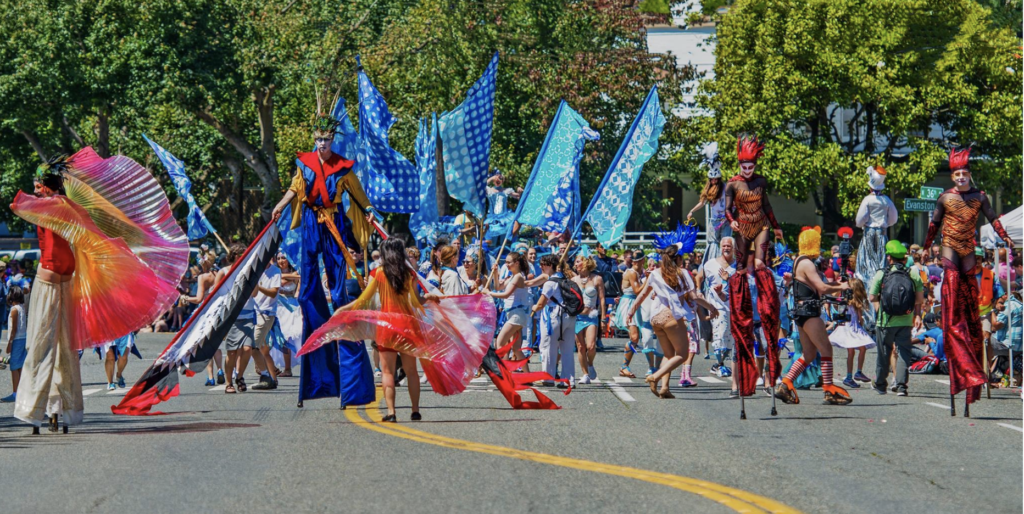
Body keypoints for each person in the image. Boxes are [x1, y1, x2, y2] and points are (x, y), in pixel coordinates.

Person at [271, 97, 379, 408]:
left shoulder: (343, 167)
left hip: (334, 221)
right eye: (318, 139)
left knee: (338, 286)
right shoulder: (304, 163)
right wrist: (279, 207)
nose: (322, 144)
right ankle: (314, 313)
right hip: (310, 220)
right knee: (308, 290)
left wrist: (369, 212)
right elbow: (295, 189)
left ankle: (340, 314)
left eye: (327, 139)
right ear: (314, 140)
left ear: (333, 140)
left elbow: (359, 196)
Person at [923, 146, 1013, 409]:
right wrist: (928, 244)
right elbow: (934, 225)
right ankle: (952, 324)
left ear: (969, 175)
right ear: (953, 177)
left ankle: (967, 326)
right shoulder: (944, 198)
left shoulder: (980, 196)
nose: (961, 177)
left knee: (968, 297)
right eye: (957, 174)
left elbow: (994, 219)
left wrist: (1005, 236)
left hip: (968, 249)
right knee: (952, 286)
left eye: (965, 173)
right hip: (950, 246)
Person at [723, 135, 784, 398]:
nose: (747, 170)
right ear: (739, 164)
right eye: (743, 166)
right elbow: (727, 209)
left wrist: (777, 224)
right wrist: (732, 221)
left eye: (751, 165)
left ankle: (766, 292)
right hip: (742, 227)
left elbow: (767, 205)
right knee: (740, 267)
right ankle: (742, 295)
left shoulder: (761, 182)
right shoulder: (732, 184)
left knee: (760, 263)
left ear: (756, 164)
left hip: (760, 224)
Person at [632, 234, 720, 399]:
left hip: (656, 319)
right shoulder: (683, 273)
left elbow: (642, 295)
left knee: (669, 354)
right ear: (679, 259)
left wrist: (631, 311)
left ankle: (665, 388)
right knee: (683, 354)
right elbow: (694, 297)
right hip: (671, 317)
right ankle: (655, 376)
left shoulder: (655, 273)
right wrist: (711, 307)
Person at [775, 227, 853, 405]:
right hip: (809, 313)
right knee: (826, 349)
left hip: (802, 313)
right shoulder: (807, 264)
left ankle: (786, 383)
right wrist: (842, 287)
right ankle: (828, 390)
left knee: (809, 354)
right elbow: (822, 287)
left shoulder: (798, 261)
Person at [868, 241, 924, 396]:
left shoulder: (882, 273)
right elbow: (920, 299)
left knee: (883, 352)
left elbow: (872, 297)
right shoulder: (912, 274)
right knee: (904, 352)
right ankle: (901, 386)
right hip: (905, 320)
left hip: (885, 320)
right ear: (904, 259)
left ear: (889, 258)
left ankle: (880, 384)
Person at [531, 254, 576, 388]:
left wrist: (533, 308)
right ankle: (568, 380)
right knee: (567, 350)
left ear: (550, 266)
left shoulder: (550, 283)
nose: (540, 267)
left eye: (543, 264)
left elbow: (540, 304)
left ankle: (548, 378)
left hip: (554, 317)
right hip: (570, 316)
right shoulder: (566, 280)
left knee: (547, 347)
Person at [181, 255, 225, 386]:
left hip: (206, 313)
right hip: (219, 311)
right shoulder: (219, 273)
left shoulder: (202, 277)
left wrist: (186, 298)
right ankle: (220, 370)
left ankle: (210, 377)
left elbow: (199, 299)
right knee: (216, 344)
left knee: (206, 345)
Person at [700, 237, 736, 383]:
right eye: (724, 246)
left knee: (731, 338)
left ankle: (718, 363)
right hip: (716, 305)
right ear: (720, 248)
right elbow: (700, 277)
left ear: (733, 248)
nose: (726, 248)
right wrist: (699, 291)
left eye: (729, 246)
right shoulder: (710, 264)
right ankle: (719, 365)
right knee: (720, 334)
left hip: (733, 306)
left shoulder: (737, 265)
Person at [486, 251, 531, 369]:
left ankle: (504, 372)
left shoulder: (518, 277)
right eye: (505, 262)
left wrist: (489, 293)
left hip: (516, 314)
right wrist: (495, 273)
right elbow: (498, 287)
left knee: (499, 343)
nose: (506, 265)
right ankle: (527, 376)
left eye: (508, 262)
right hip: (513, 314)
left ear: (516, 263)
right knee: (516, 349)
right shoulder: (511, 277)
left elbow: (505, 294)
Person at [687, 143, 730, 266]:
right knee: (713, 243)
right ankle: (712, 263)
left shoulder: (726, 188)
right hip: (715, 221)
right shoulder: (708, 191)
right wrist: (692, 211)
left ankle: (727, 263)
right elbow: (702, 202)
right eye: (712, 180)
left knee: (726, 241)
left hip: (726, 220)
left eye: (716, 179)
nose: (714, 181)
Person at [828, 278, 875, 389]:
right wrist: (861, 321)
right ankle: (854, 373)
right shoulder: (856, 302)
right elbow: (860, 318)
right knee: (860, 349)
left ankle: (852, 374)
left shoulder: (844, 300)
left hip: (847, 328)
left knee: (852, 352)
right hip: (853, 328)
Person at [854, 165, 898, 284]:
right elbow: (894, 218)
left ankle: (869, 283)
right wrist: (885, 224)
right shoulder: (887, 200)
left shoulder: (867, 199)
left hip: (869, 233)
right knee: (881, 261)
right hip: (882, 233)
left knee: (868, 261)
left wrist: (865, 223)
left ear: (870, 187)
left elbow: (859, 220)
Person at [249, 259, 282, 390]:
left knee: (252, 345)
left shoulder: (275, 271)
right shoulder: (254, 270)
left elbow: (274, 292)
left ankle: (265, 377)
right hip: (253, 312)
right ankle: (273, 378)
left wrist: (258, 286)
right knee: (263, 350)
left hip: (266, 313)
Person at [572, 253, 605, 384]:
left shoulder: (597, 279)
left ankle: (590, 364)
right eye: (575, 262)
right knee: (581, 347)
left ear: (585, 263)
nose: (575, 265)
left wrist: (603, 318)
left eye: (578, 262)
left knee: (591, 346)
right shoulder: (574, 280)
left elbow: (602, 299)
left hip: (591, 316)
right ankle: (585, 374)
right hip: (578, 317)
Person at [615, 252, 648, 378]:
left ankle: (625, 366)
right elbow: (638, 290)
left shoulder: (636, 273)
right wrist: (649, 279)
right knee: (634, 337)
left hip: (632, 302)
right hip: (629, 303)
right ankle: (624, 367)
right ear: (641, 260)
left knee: (635, 338)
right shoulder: (632, 273)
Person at [0, 286, 27, 403]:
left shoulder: (14, 309)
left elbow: (14, 328)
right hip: (23, 338)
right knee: (20, 366)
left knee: (14, 367)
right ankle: (21, 392)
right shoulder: (22, 307)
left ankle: (15, 393)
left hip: (16, 340)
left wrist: (9, 343)